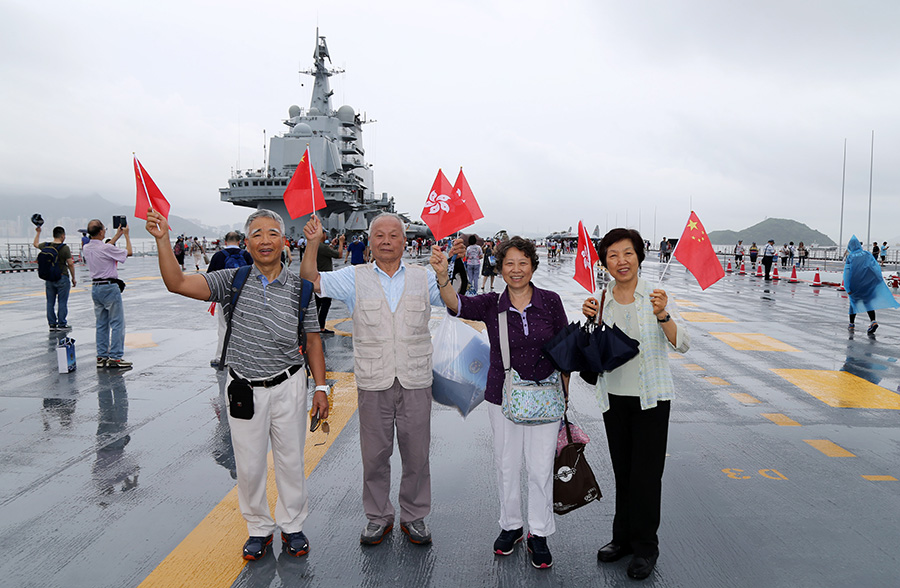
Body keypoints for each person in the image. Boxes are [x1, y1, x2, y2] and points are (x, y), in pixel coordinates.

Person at [146, 208, 329, 561]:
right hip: (244, 384)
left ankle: (292, 525)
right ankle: (259, 528)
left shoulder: (301, 288)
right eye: (257, 234)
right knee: (248, 464)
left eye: (272, 233)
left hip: (289, 383)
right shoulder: (231, 280)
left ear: (283, 241)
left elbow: (314, 339)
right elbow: (177, 283)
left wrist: (320, 388)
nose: (265, 240)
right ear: (246, 243)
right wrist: (163, 240)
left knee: (291, 460)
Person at [300, 212, 444, 547]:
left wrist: (449, 272)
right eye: (379, 235)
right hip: (373, 380)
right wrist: (311, 244)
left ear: (405, 242)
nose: (386, 241)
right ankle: (378, 517)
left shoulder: (424, 277)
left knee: (417, 454)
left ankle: (415, 516)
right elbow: (312, 280)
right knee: (375, 455)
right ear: (370, 240)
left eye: (394, 236)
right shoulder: (354, 277)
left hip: (415, 379)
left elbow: (455, 302)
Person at [432, 236, 568, 569]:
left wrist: (566, 401)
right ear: (500, 267)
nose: (516, 270)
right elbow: (457, 304)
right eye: (509, 263)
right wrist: (441, 276)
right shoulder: (492, 303)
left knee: (539, 469)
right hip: (501, 394)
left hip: (546, 398)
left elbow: (566, 350)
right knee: (506, 464)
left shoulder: (551, 301)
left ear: (533, 266)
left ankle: (539, 533)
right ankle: (511, 526)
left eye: (523, 263)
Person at [581, 228, 690, 581]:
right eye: (612, 255)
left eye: (627, 253)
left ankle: (646, 547)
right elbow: (593, 346)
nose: (621, 261)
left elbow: (683, 343)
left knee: (646, 476)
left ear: (639, 257)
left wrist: (663, 315)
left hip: (651, 399)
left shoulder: (655, 297)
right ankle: (622, 539)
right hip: (614, 398)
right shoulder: (602, 298)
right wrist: (588, 320)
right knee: (623, 473)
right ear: (605, 262)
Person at [82, 219, 133, 369]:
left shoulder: (86, 248)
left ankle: (101, 356)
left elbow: (104, 248)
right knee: (117, 323)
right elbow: (128, 252)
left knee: (101, 324)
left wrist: (118, 235)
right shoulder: (104, 248)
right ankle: (116, 357)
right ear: (101, 232)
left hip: (96, 288)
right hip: (109, 287)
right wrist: (127, 236)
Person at [206, 231, 253, 368]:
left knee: (223, 326)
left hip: (224, 296)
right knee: (245, 326)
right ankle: (245, 356)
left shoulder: (218, 256)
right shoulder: (247, 255)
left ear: (225, 242)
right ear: (239, 241)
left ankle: (221, 357)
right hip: (244, 295)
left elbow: (209, 277)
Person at [844, 235, 899, 335]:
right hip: (867, 284)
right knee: (868, 302)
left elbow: (847, 273)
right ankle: (873, 321)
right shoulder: (867, 254)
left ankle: (851, 324)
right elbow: (875, 267)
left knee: (853, 303)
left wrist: (847, 287)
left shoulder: (850, 257)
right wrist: (877, 281)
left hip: (856, 284)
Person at [33, 225, 76, 331]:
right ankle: (62, 324)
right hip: (62, 277)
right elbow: (70, 263)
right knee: (62, 302)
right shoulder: (65, 248)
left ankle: (52, 324)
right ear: (62, 235)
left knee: (50, 302)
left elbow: (35, 244)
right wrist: (73, 277)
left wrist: (38, 232)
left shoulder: (46, 245)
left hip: (49, 278)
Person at [315, 231, 345, 334]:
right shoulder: (323, 247)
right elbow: (339, 255)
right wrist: (341, 243)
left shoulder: (316, 246)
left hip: (316, 277)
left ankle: (315, 325)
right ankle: (321, 327)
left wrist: (332, 245)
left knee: (317, 303)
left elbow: (326, 251)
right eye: (324, 233)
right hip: (325, 279)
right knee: (326, 303)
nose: (326, 235)